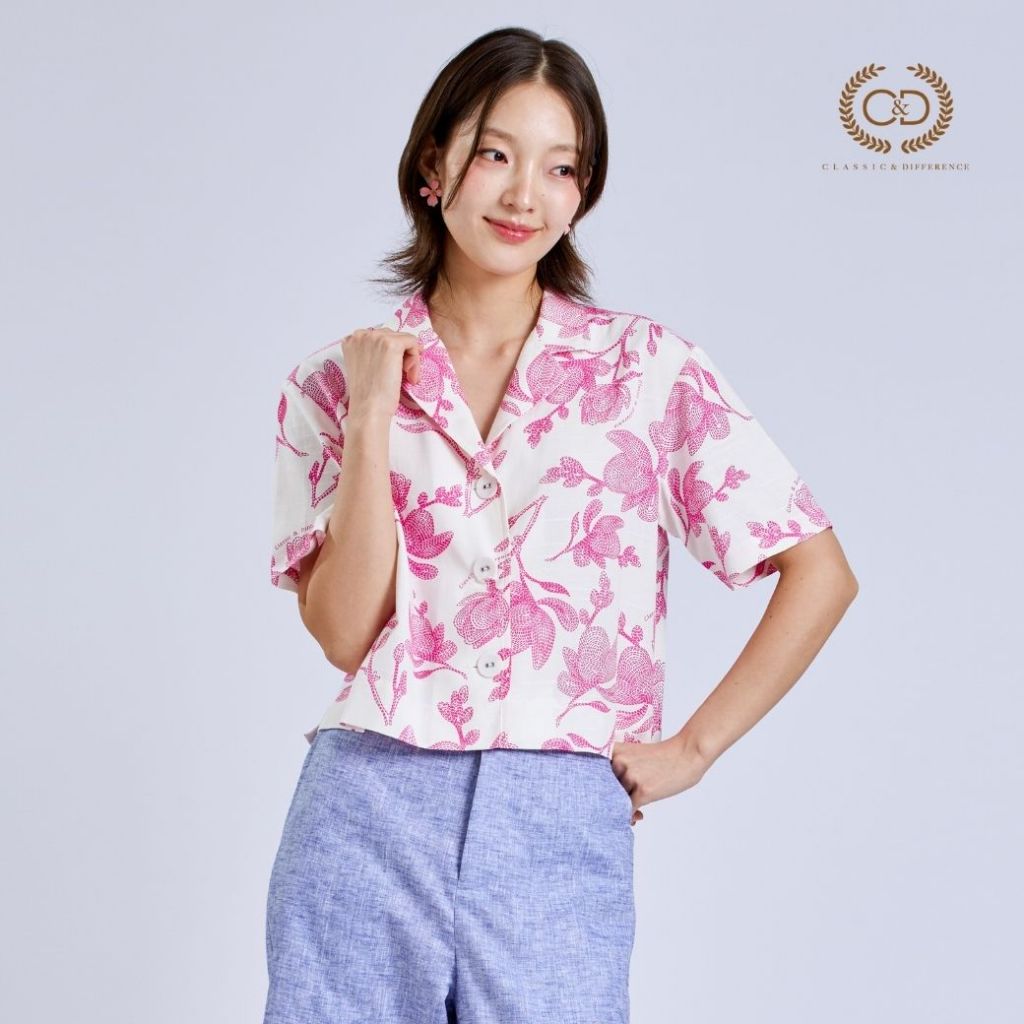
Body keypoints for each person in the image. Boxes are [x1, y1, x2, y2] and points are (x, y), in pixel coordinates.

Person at [262, 25, 858, 1024]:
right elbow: (345, 632)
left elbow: (820, 570)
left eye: (561, 166)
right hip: (366, 808)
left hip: (558, 816)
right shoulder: (330, 382)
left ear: (583, 191)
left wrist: (693, 749)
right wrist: (371, 415)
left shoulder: (646, 370)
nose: (523, 195)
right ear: (432, 167)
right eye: (495, 154)